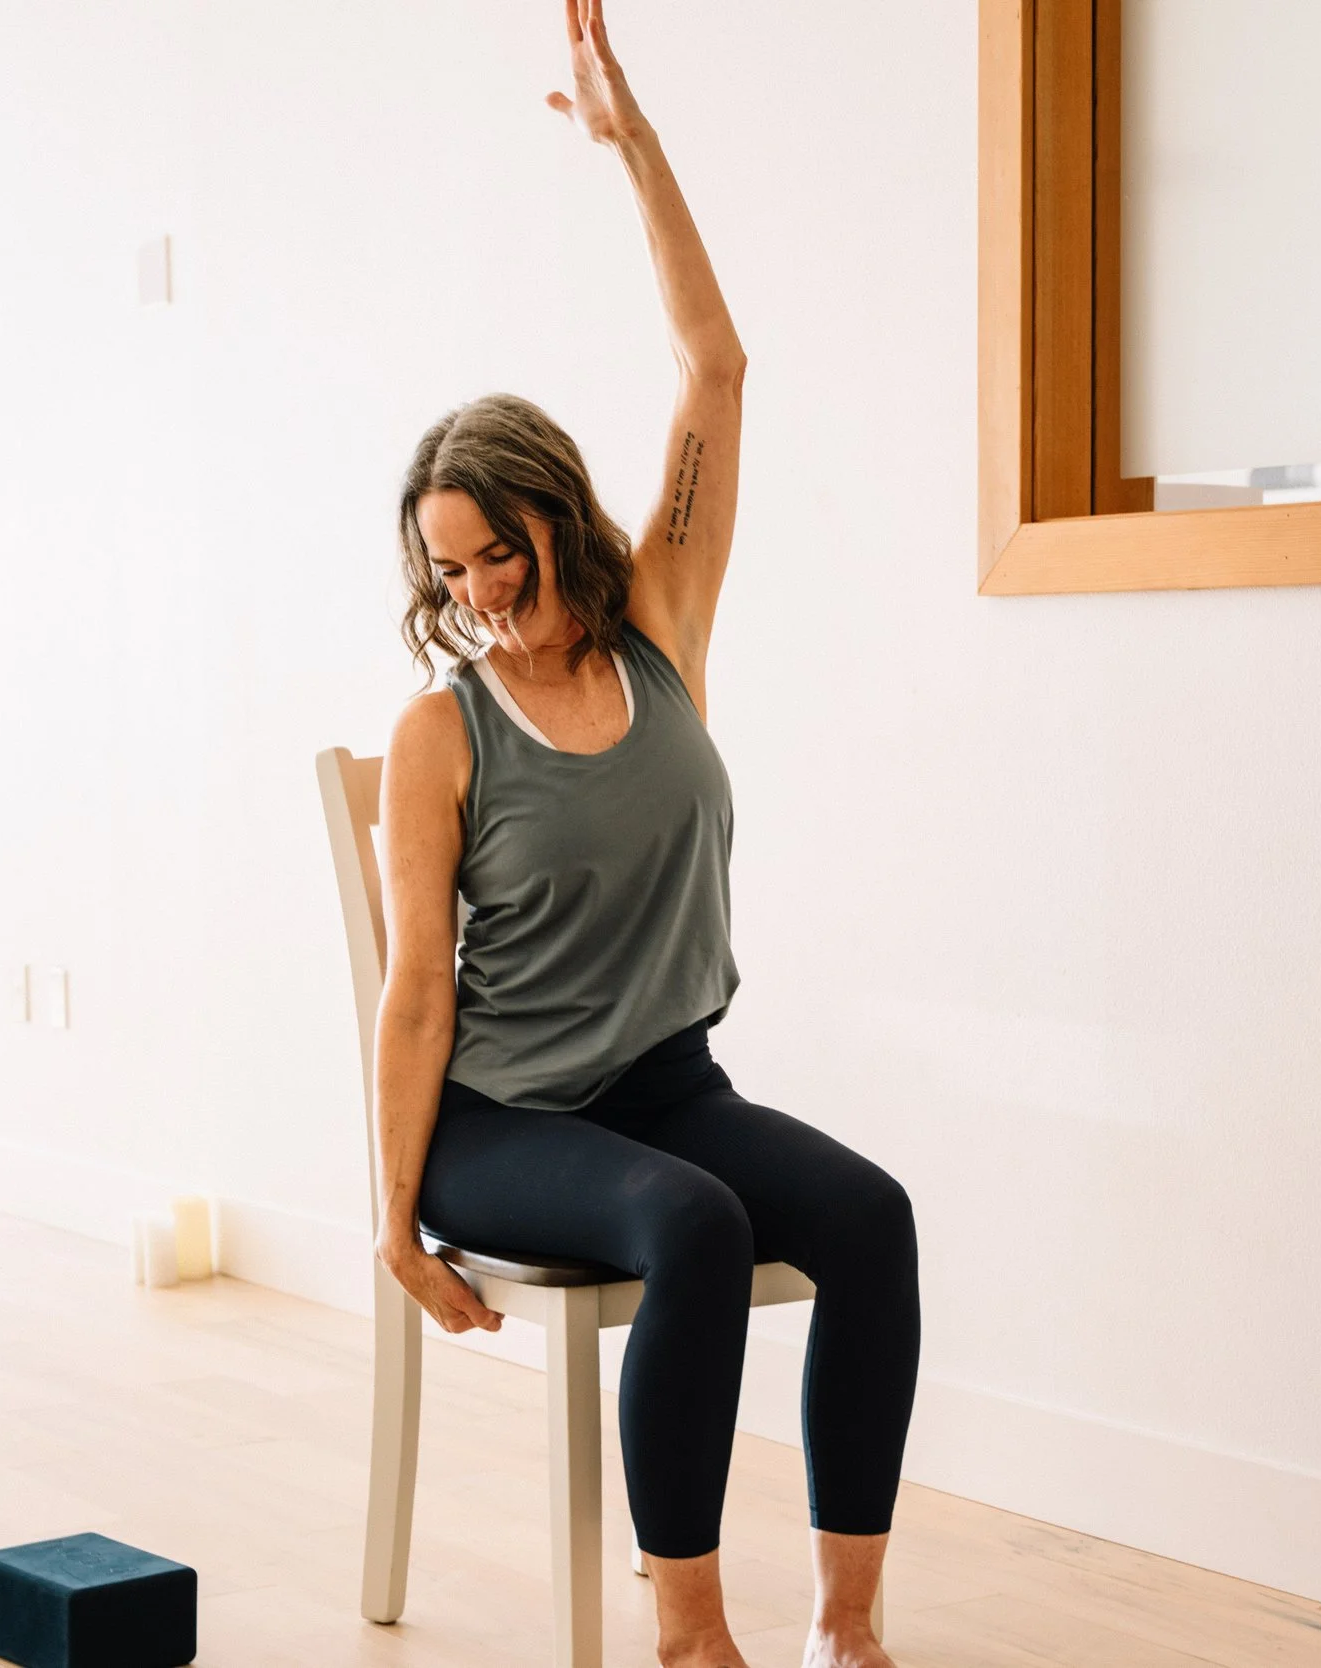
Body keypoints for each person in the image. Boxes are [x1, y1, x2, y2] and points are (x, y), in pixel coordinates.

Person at [369, 7, 917, 1666]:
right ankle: (692, 1641)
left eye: (498, 552)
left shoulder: (662, 624)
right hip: (501, 1120)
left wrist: (633, 147)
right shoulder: (443, 733)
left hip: (667, 1087)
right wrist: (394, 1220)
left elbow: (715, 368)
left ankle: (848, 1630)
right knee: (695, 1226)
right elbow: (415, 993)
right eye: (449, 568)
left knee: (871, 1217)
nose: (479, 591)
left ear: (556, 513)